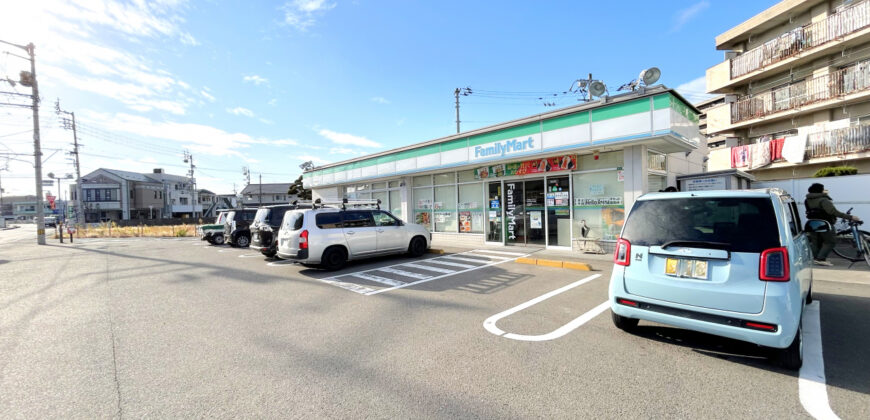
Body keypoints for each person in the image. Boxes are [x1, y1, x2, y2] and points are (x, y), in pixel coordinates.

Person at [805, 183, 862, 266]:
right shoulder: (823, 200)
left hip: (812, 224)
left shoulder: (807, 200)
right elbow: (833, 212)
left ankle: (815, 258)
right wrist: (850, 217)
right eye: (823, 189)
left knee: (816, 242)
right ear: (820, 190)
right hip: (825, 223)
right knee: (830, 241)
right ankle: (821, 258)